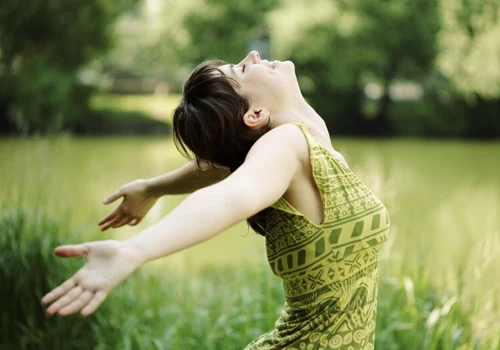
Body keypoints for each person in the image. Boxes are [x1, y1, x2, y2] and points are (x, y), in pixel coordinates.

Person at [41, 51, 390, 349]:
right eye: (240, 69)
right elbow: (231, 195)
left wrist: (153, 187)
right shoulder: (287, 144)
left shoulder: (306, 144)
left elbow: (225, 167)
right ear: (254, 115)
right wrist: (133, 250)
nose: (253, 56)